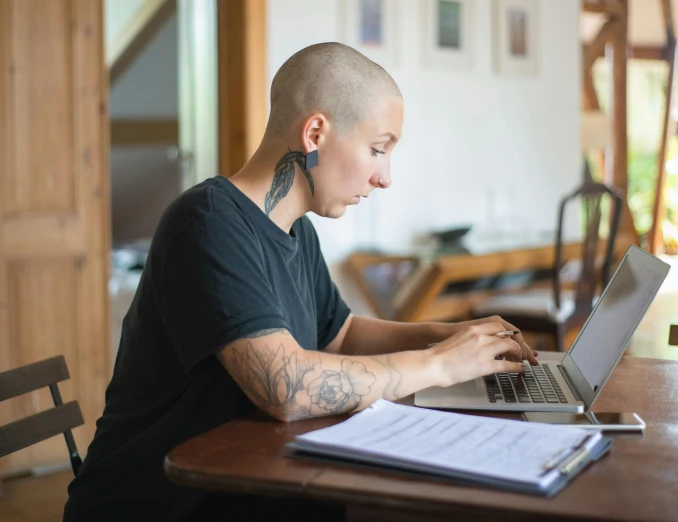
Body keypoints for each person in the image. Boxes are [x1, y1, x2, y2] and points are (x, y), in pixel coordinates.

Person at [63, 42, 537, 522]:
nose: (384, 177)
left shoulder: (297, 231)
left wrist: (458, 338)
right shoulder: (207, 224)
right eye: (377, 150)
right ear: (315, 133)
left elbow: (342, 335)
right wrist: (439, 365)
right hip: (160, 503)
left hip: (249, 483)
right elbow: (287, 387)